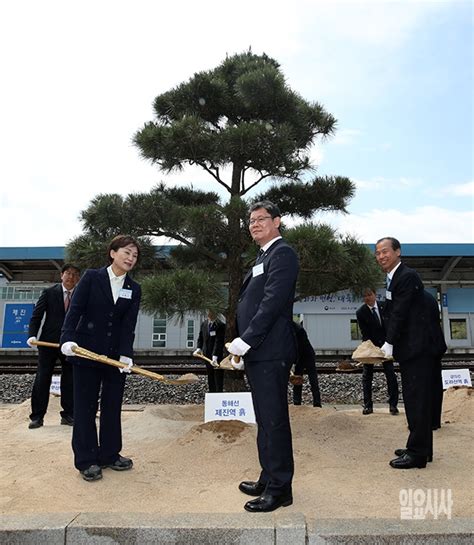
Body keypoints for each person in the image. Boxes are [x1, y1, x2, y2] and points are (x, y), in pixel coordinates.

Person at [227, 201, 299, 513]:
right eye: (251, 221)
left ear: (277, 221)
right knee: (264, 419)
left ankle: (281, 488)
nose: (254, 224)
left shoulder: (283, 253)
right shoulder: (263, 255)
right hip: (259, 352)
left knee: (274, 419)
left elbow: (271, 303)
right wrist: (245, 349)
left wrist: (247, 340)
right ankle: (268, 476)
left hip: (271, 350)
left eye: (261, 219)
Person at [60, 235, 141, 482]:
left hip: (115, 357)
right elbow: (75, 311)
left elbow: (128, 325)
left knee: (112, 404)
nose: (131, 258)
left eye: (135, 256)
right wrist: (67, 339)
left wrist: (127, 354)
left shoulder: (133, 288)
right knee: (85, 406)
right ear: (112, 253)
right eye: (127, 252)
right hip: (86, 351)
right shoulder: (92, 278)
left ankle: (109, 454)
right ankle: (87, 460)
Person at [375, 237, 443, 469]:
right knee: (417, 401)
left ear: (398, 252)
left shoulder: (406, 276)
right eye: (378, 253)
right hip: (411, 349)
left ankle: (417, 454)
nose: (381, 256)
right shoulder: (393, 279)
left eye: (385, 251)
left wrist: (389, 342)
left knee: (417, 402)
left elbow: (400, 313)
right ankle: (422, 448)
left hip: (417, 349)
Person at [26, 264, 81, 429]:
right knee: (42, 379)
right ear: (62, 275)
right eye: (68, 273)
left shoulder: (80, 295)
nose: (71, 277)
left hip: (70, 345)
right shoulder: (49, 292)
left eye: (75, 274)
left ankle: (68, 415)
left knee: (70, 379)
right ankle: (37, 417)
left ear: (78, 278)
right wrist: (32, 335)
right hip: (48, 343)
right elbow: (36, 316)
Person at [355, 287, 399, 415]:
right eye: (365, 296)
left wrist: (389, 343)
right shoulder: (361, 312)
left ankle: (393, 405)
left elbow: (391, 325)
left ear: (375, 295)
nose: (367, 298)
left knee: (390, 375)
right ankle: (368, 406)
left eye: (369, 294)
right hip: (371, 347)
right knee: (367, 376)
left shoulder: (384, 306)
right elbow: (365, 334)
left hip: (386, 345)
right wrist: (371, 350)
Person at [193, 311, 225, 393]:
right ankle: (212, 393)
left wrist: (215, 356)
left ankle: (218, 394)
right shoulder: (204, 324)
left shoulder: (220, 325)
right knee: (210, 375)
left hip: (216, 356)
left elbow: (219, 342)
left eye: (211, 312)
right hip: (206, 354)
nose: (209, 314)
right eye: (208, 313)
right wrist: (199, 348)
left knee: (218, 376)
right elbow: (200, 337)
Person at [291, 322, 322, 407]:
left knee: (313, 380)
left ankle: (317, 403)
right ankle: (297, 402)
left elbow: (299, 347)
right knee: (297, 380)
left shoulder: (299, 330)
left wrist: (292, 361)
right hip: (300, 356)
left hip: (308, 355)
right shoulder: (290, 329)